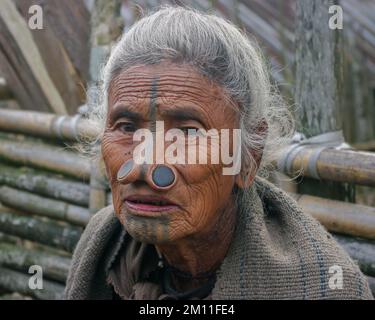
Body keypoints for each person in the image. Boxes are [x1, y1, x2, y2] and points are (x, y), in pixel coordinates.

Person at [64, 6, 372, 300]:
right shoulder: (102, 245)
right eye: (127, 127)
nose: (142, 167)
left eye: (187, 132)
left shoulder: (321, 288)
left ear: (248, 156)